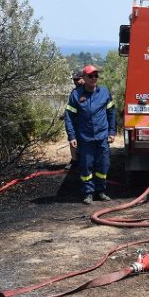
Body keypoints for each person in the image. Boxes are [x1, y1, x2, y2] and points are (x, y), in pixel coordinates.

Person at [64, 65, 116, 204]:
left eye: (96, 76)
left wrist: (112, 132)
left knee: (103, 166)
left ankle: (100, 191)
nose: (94, 78)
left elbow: (111, 113)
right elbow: (69, 117)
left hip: (102, 138)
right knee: (86, 167)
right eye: (90, 76)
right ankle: (88, 193)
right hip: (85, 139)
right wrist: (72, 136)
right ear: (84, 78)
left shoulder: (104, 92)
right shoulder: (76, 95)